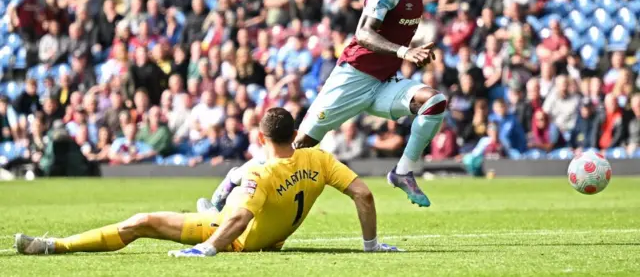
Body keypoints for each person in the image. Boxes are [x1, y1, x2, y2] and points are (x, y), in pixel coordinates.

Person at [206, 0, 449, 210]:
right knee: (293, 152)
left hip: (382, 82)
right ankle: (232, 181)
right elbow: (363, 34)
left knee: (434, 101)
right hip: (353, 78)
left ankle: (403, 171)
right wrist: (404, 51)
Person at [15, 108, 400, 256]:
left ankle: (54, 246)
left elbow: (241, 220)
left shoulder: (260, 172)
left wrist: (208, 248)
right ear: (295, 132)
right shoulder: (319, 158)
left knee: (140, 222)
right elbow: (363, 194)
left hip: (231, 235)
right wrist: (371, 246)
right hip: (271, 234)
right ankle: (214, 204)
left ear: (262, 137)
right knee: (232, 187)